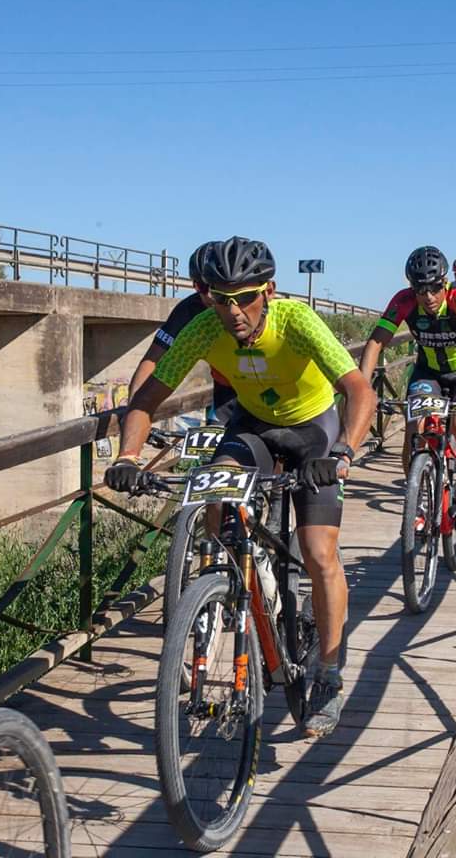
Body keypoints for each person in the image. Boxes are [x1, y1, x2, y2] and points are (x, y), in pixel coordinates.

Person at [105, 236, 374, 739]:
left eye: (244, 298)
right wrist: (127, 456)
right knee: (215, 496)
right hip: (253, 428)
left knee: (319, 553)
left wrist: (343, 453)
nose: (232, 311)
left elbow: (360, 390)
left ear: (268, 291)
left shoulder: (296, 321)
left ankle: (329, 672)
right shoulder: (205, 328)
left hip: (314, 431)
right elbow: (146, 399)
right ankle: (226, 585)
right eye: (220, 298)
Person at [358, 246, 456, 515]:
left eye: (435, 288)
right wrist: (363, 389)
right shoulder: (404, 301)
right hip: (429, 373)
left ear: (444, 282)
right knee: (414, 430)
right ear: (411, 287)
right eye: (420, 289)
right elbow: (376, 343)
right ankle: (416, 496)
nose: (428, 296)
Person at [121, 241, 237, 425]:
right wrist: (134, 410)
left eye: (215, 287)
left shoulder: (246, 305)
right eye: (202, 287)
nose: (209, 295)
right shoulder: (188, 310)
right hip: (225, 390)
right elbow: (152, 360)